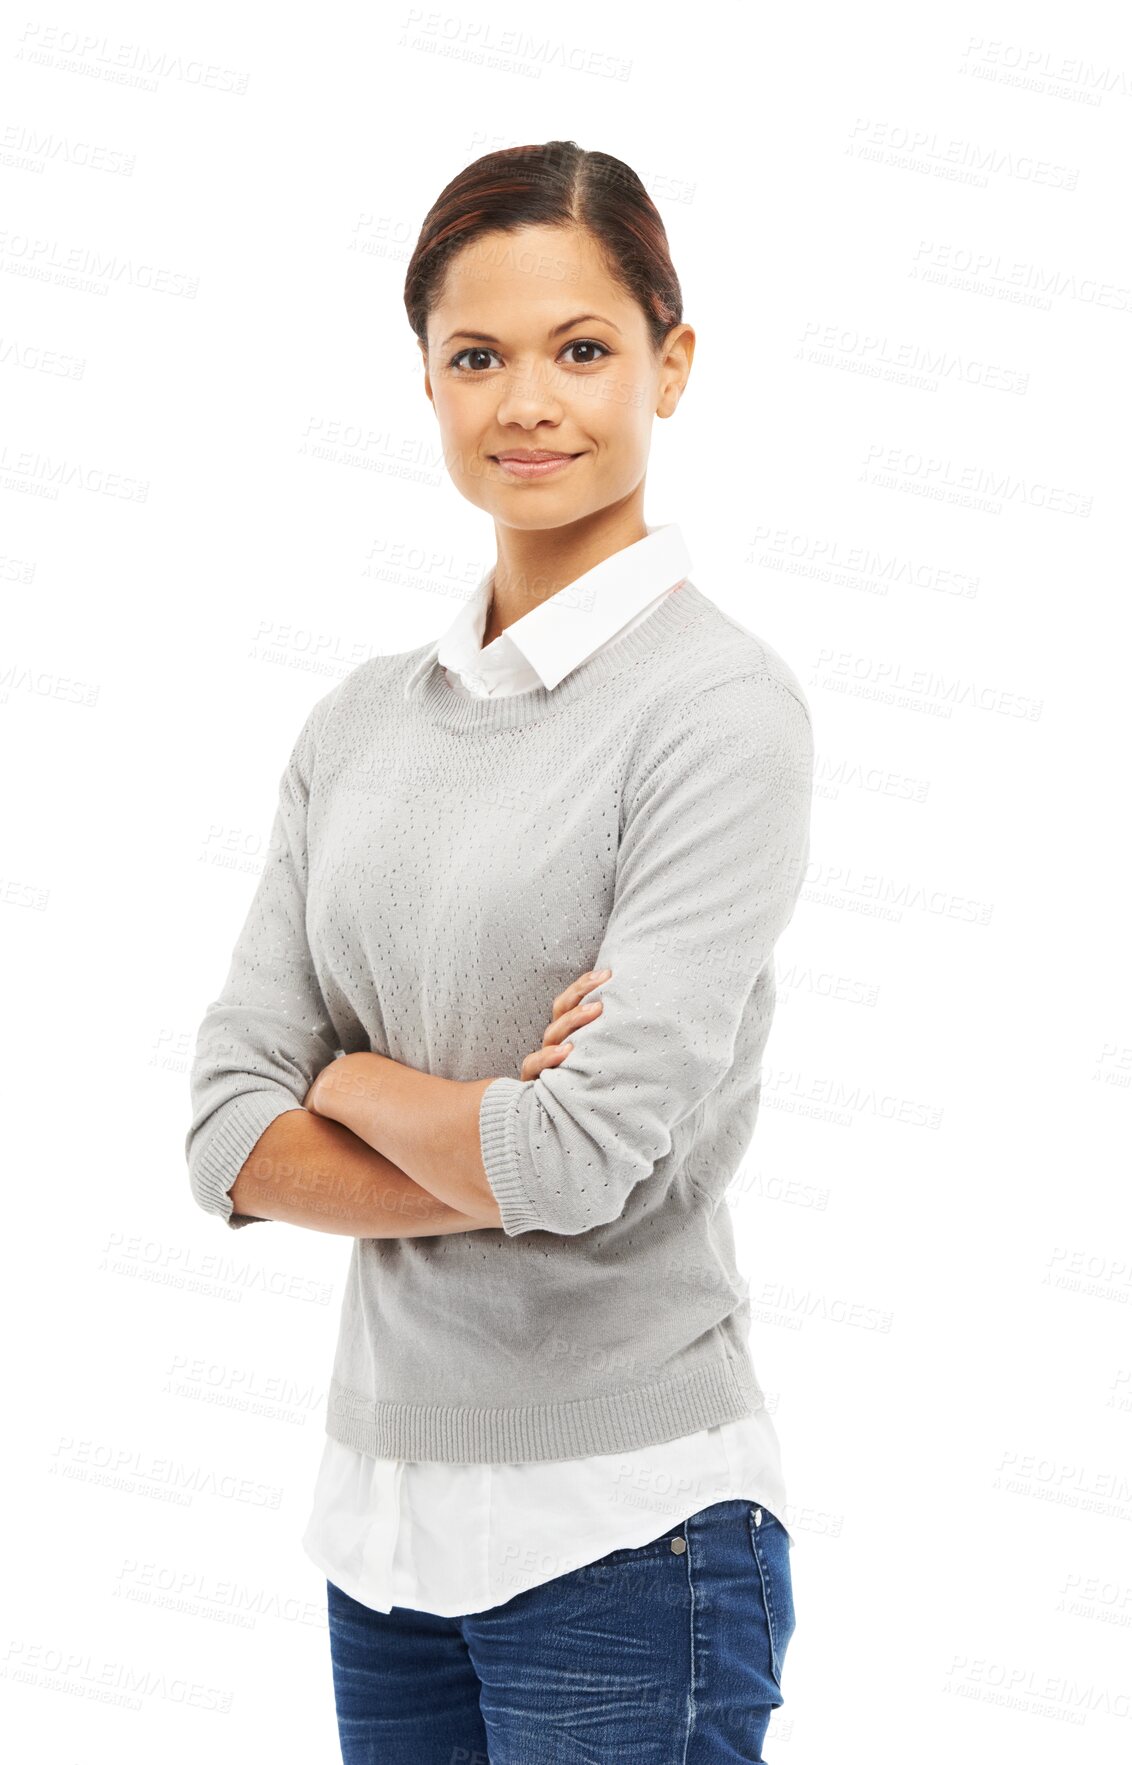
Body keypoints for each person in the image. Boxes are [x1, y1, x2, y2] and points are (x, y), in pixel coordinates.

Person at [185, 139, 812, 1763]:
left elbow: (583, 1147)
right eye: (479, 356)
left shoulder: (717, 713)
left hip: (632, 1528)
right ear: (429, 384)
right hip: (380, 1528)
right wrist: (481, 1132)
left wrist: (358, 1075)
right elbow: (222, 1129)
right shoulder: (357, 724)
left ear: (671, 365)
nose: (529, 399)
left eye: (582, 349)